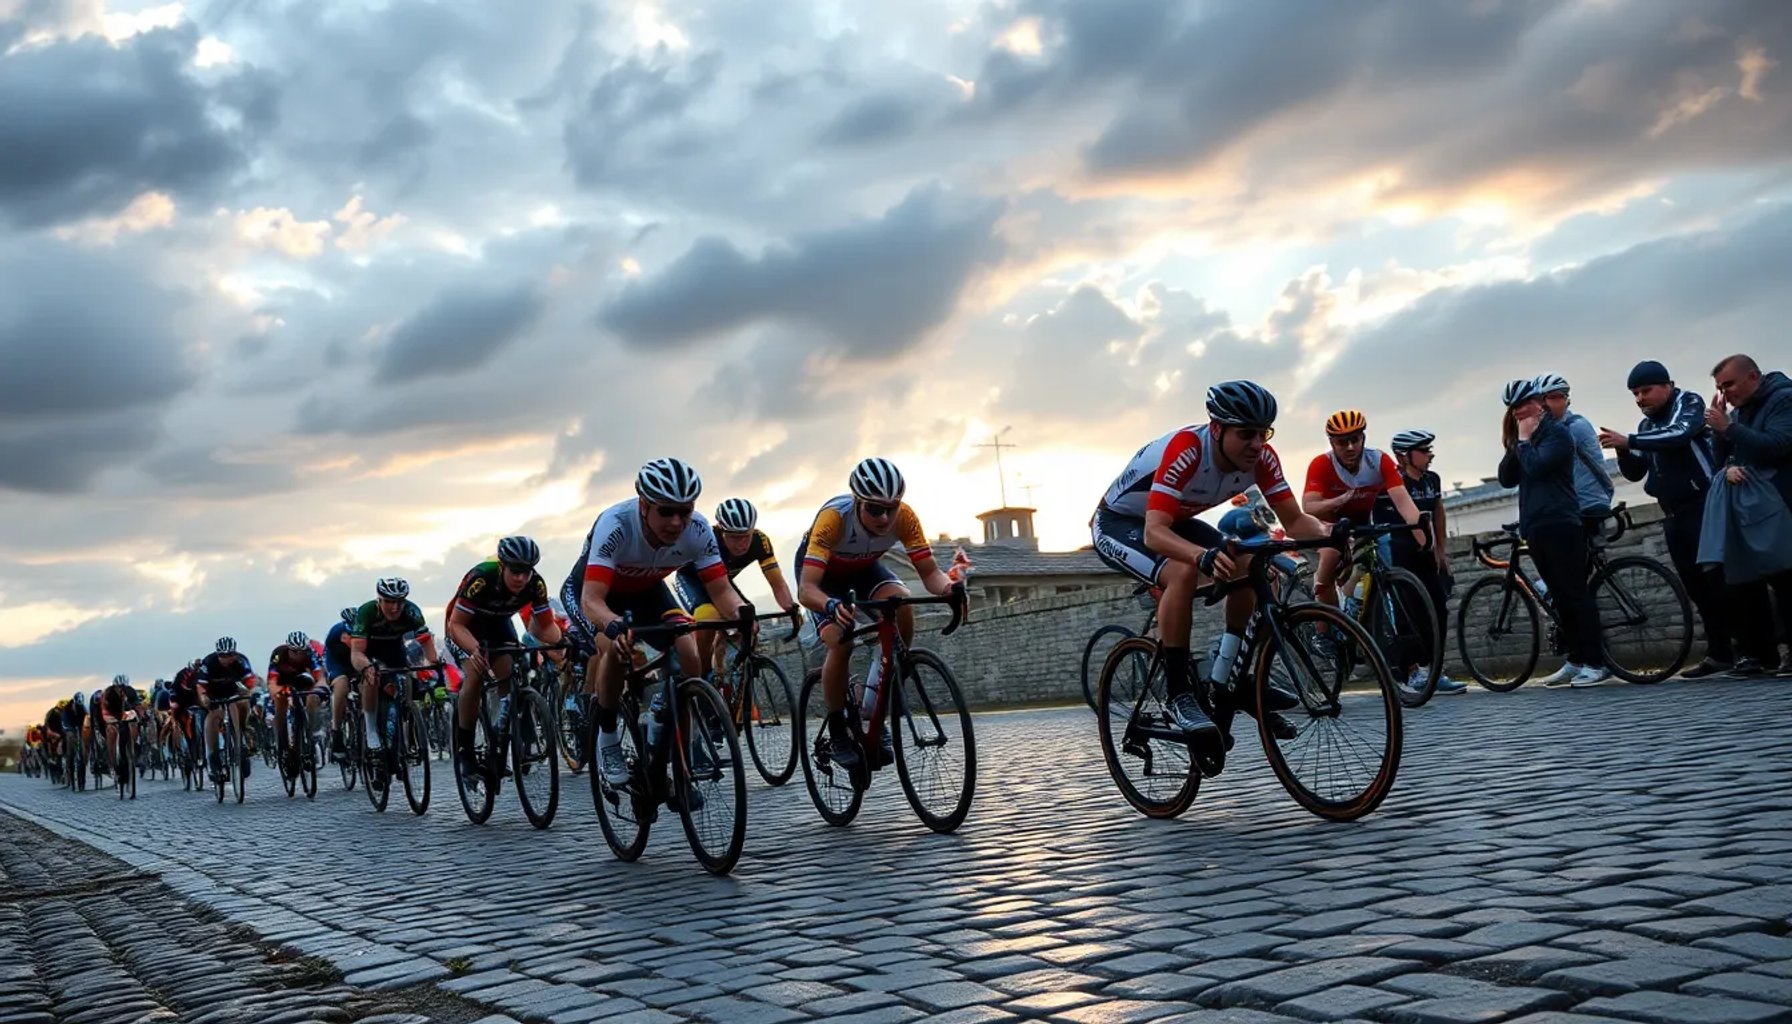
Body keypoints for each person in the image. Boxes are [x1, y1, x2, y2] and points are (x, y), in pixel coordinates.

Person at [1092, 381, 1330, 745]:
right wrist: (1199, 555)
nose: (1257, 444)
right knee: (1182, 571)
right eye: (1246, 434)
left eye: (1263, 433)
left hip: (1174, 521)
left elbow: (1295, 521)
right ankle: (1178, 694)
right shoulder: (1188, 450)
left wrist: (1335, 533)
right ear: (1217, 430)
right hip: (1120, 524)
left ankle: (1228, 677)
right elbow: (1155, 533)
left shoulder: (1263, 459)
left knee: (1256, 569)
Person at [562, 458, 748, 789]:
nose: (676, 522)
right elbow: (592, 600)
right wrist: (613, 624)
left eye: (685, 511)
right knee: (614, 648)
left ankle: (682, 752)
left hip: (646, 590)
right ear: (644, 505)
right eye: (666, 511)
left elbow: (721, 591)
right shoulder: (616, 524)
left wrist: (743, 614)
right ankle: (607, 737)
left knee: (688, 650)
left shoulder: (698, 530)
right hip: (594, 595)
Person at [798, 457, 965, 771]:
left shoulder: (905, 517)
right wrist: (830, 605)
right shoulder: (834, 519)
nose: (885, 517)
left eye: (891, 508)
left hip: (864, 569)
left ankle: (874, 704)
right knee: (841, 641)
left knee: (901, 603)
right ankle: (838, 728)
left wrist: (950, 589)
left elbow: (930, 573)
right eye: (875, 509)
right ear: (857, 502)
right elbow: (807, 590)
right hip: (823, 578)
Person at [1599, 360, 1731, 677]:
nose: (1640, 399)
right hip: (1672, 512)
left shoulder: (1688, 403)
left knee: (1720, 580)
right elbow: (1636, 472)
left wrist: (1630, 441)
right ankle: (1720, 653)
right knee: (1695, 586)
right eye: (1635, 394)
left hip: (1703, 505)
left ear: (1668, 386)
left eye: (1646, 391)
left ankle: (1750, 650)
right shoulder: (1646, 427)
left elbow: (1679, 435)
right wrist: (1623, 452)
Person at [1498, 379, 1609, 686]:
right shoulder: (1523, 440)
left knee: (1575, 593)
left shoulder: (1557, 434)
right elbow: (1506, 478)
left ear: (1539, 403)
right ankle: (1575, 659)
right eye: (1514, 408)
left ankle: (1596, 662)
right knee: (1559, 597)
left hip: (1561, 522)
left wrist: (1524, 441)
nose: (1519, 412)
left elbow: (1539, 467)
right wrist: (1515, 442)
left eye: (1524, 405)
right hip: (1536, 526)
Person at [445, 536, 566, 782]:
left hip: (498, 625)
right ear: (502, 566)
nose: (521, 578)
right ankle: (465, 749)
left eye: (526, 571)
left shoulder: (536, 584)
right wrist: (475, 650)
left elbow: (545, 627)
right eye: (515, 571)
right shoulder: (482, 578)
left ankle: (499, 743)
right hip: (464, 627)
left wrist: (564, 642)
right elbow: (457, 625)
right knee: (475, 674)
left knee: (508, 677)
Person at [1302, 410, 1430, 640]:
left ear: (1363, 438)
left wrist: (1424, 538)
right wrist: (1338, 501)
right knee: (1330, 560)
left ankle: (1367, 617)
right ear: (1331, 443)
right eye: (1342, 442)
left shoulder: (1378, 461)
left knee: (1383, 561)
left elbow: (1404, 503)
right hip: (1328, 527)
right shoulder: (1321, 464)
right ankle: (1324, 634)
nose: (1350, 447)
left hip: (1362, 525)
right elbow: (1309, 507)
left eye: (1355, 439)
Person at [1708, 354, 1792, 674]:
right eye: (1720, 388)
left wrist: (1729, 428)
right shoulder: (1741, 411)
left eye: (1729, 384)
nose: (1725, 393)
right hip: (1762, 509)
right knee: (1765, 580)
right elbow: (1731, 456)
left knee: (1787, 580)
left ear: (1754, 377)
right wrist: (1723, 441)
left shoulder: (1783, 399)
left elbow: (1778, 445)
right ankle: (1763, 654)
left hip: (1783, 501)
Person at [673, 498, 799, 681]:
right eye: (734, 537)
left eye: (746, 536)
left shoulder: (760, 541)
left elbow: (777, 583)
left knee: (750, 626)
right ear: (721, 530)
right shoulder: (710, 539)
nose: (742, 543)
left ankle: (729, 675)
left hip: (722, 584)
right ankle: (702, 675)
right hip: (692, 580)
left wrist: (790, 608)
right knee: (708, 617)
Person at [1378, 430, 1465, 694]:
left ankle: (1435, 668)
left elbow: (1438, 511)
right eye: (1424, 451)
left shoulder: (1431, 479)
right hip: (1399, 553)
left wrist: (1441, 550)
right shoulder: (1391, 483)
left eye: (1430, 450)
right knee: (1408, 613)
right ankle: (1412, 670)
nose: (1430, 455)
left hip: (1426, 554)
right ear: (1404, 456)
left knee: (1438, 609)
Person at [347, 578, 442, 764]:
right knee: (372, 678)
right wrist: (366, 667)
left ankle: (407, 729)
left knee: (407, 681)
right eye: (389, 602)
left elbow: (425, 640)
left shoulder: (412, 611)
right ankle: (371, 731)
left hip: (394, 651)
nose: (395, 608)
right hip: (369, 652)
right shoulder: (367, 612)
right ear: (379, 600)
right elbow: (357, 651)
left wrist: (433, 663)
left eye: (400, 602)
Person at [1535, 373, 1615, 534]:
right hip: (1577, 506)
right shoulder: (1557, 427)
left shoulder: (1574, 427)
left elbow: (1540, 463)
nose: (1545, 405)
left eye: (1553, 398)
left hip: (1587, 505)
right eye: (1540, 399)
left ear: (1566, 400)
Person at [198, 637, 259, 780]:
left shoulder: (241, 661)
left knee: (242, 703)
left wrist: (250, 692)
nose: (226, 659)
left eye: (230, 655)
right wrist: (204, 698)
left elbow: (250, 682)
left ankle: (241, 735)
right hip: (213, 693)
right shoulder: (209, 662)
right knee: (213, 717)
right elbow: (200, 686)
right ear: (217, 654)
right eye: (222, 656)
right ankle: (213, 756)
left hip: (233, 691)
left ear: (235, 653)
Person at [267, 631, 327, 771]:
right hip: (283, 680)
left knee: (313, 696)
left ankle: (309, 733)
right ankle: (281, 742)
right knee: (280, 703)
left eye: (302, 652)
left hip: (303, 680)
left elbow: (319, 677)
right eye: (294, 652)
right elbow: (273, 681)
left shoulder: (311, 654)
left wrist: (321, 689)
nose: (299, 655)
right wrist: (278, 693)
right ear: (288, 649)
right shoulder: (279, 654)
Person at [98, 674, 140, 777]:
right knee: (111, 731)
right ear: (114, 686)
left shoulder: (131, 691)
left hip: (124, 715)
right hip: (111, 715)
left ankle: (134, 746)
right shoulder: (108, 693)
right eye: (118, 687)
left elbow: (137, 704)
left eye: (123, 687)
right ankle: (112, 763)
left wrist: (138, 713)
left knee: (134, 724)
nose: (121, 689)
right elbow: (105, 710)